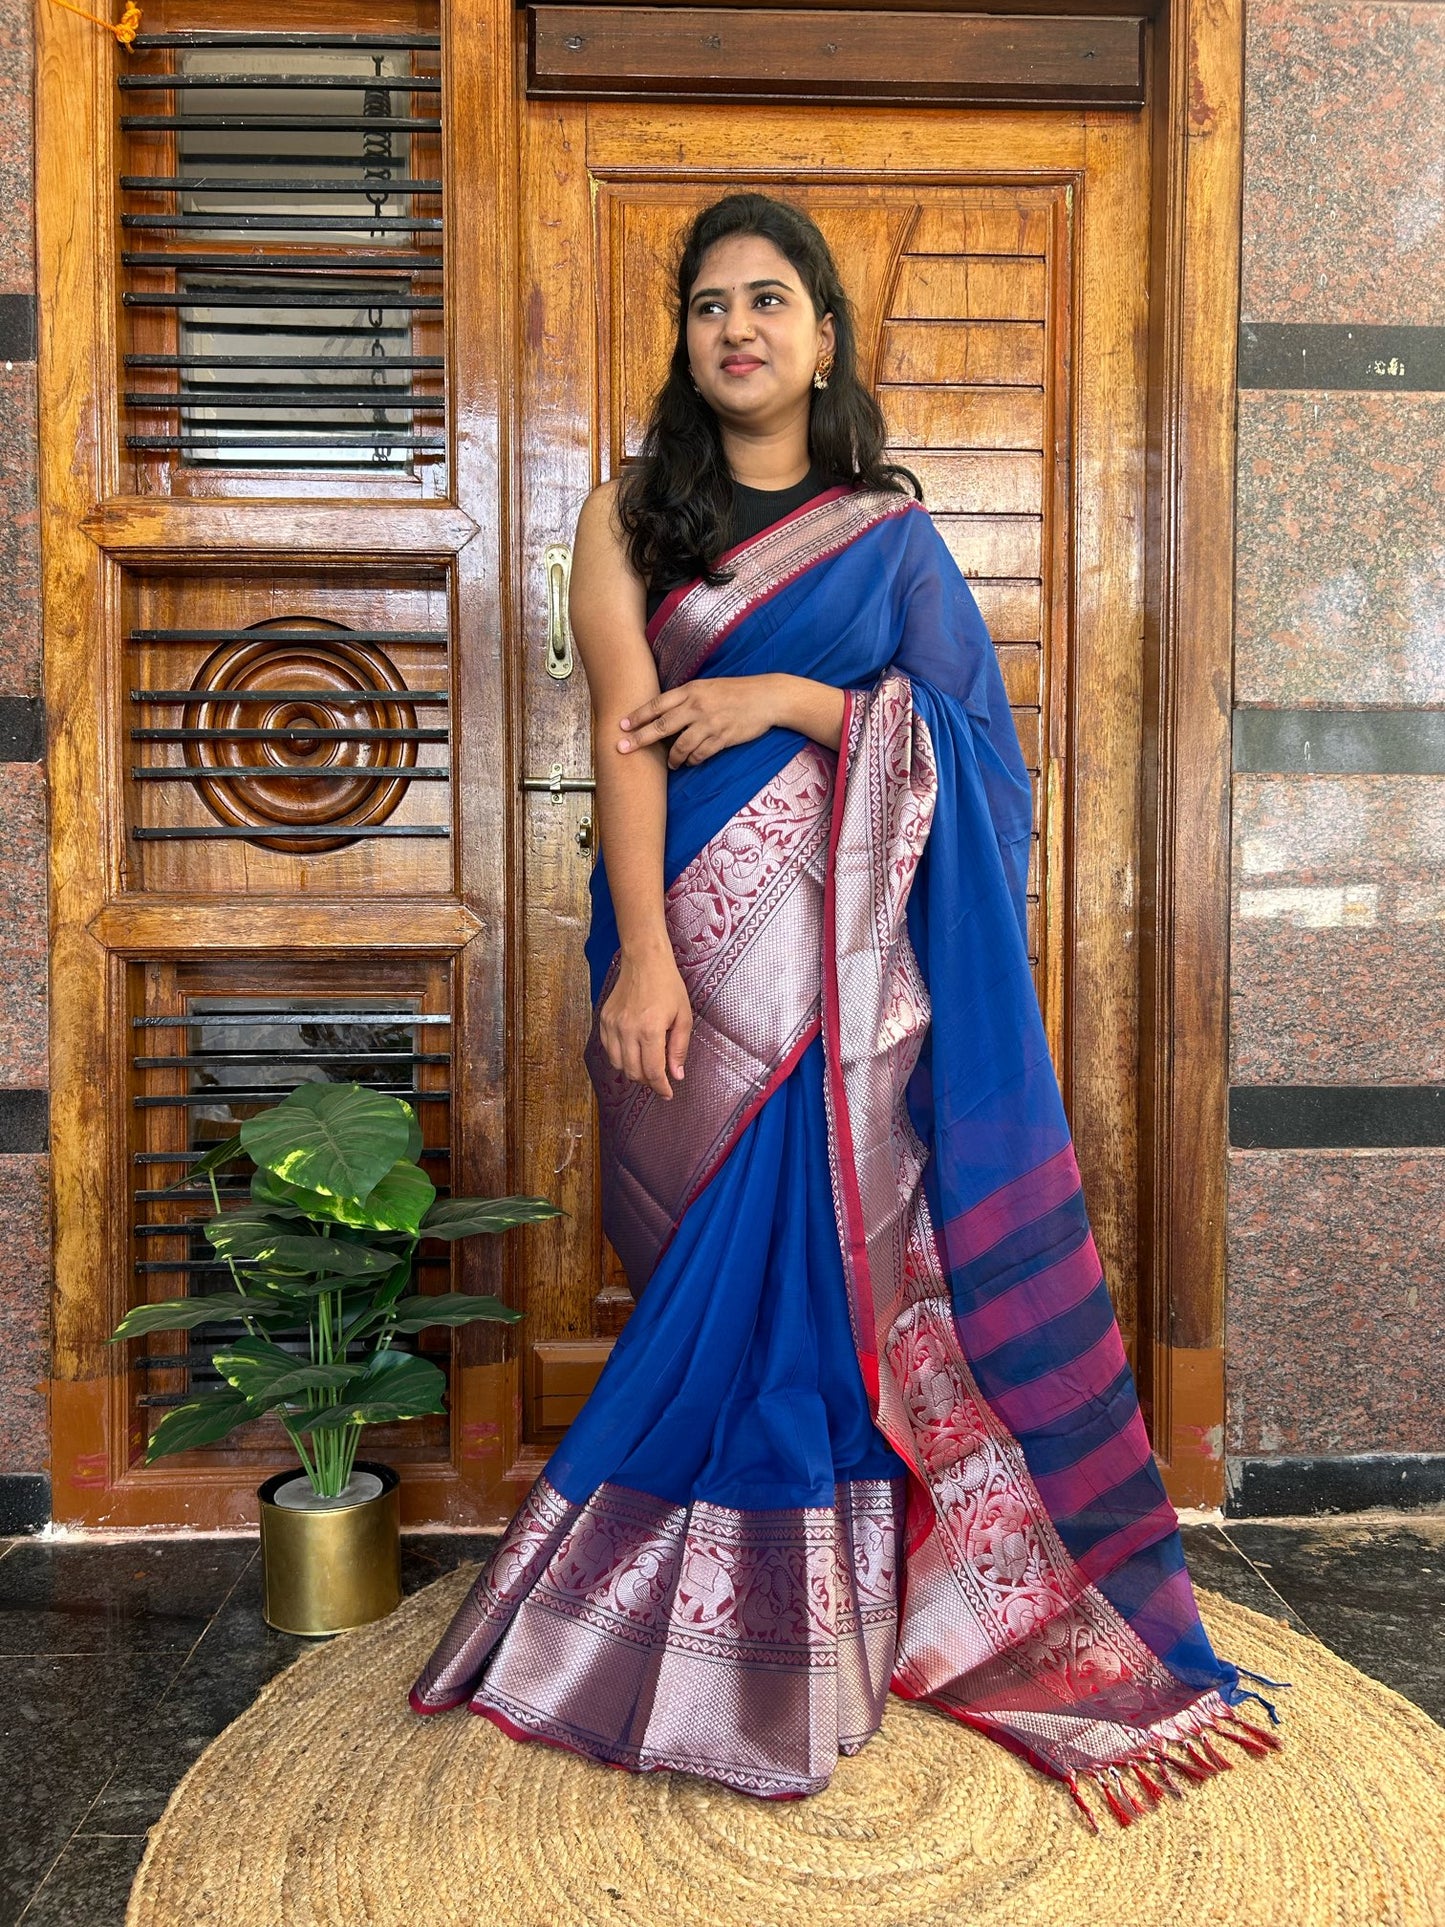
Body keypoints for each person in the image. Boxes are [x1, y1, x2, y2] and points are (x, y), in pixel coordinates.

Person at [407, 192, 1283, 1825]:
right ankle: (697, 1622)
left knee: (817, 1284)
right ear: (685, 340)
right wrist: (654, 956)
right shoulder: (628, 521)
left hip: (842, 985)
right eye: (707, 305)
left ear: (821, 336)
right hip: (683, 952)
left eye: (768, 301)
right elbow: (620, 734)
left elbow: (984, 770)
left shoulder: (887, 535)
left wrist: (800, 700)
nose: (735, 328)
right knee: (693, 1262)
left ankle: (808, 1638)